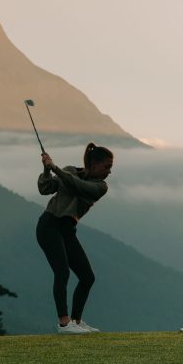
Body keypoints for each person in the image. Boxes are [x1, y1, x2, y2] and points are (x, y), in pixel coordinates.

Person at [36, 142, 114, 334]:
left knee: (87, 277)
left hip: (67, 229)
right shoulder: (70, 170)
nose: (109, 172)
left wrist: (55, 168)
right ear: (94, 164)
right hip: (49, 225)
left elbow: (77, 185)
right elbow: (45, 188)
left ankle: (76, 322)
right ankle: (64, 323)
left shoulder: (100, 186)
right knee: (62, 272)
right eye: (107, 167)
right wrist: (47, 170)